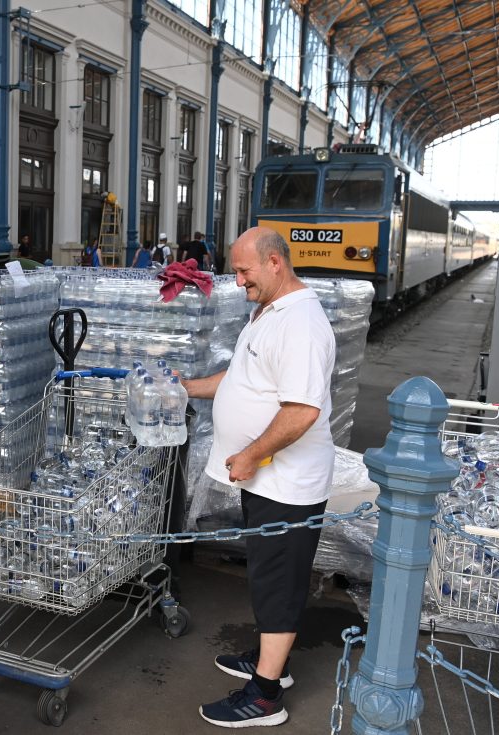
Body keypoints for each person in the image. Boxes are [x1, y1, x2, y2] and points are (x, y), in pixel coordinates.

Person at [179, 227, 335, 729]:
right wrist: (186, 388)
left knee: (279, 581)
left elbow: (302, 410)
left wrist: (250, 454)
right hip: (267, 480)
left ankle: (266, 697)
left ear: (274, 263)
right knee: (267, 575)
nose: (237, 280)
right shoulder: (267, 311)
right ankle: (273, 662)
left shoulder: (301, 324)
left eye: (244, 270)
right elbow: (241, 379)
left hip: (287, 483)